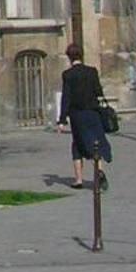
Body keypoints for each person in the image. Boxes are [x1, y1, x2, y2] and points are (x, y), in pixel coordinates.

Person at [56, 43, 112, 189]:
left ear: (69, 57)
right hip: (93, 113)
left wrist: (62, 120)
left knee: (77, 145)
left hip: (77, 115)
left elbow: (66, 98)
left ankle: (79, 179)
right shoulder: (92, 72)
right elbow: (99, 91)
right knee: (96, 143)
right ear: (82, 55)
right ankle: (99, 171)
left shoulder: (68, 75)